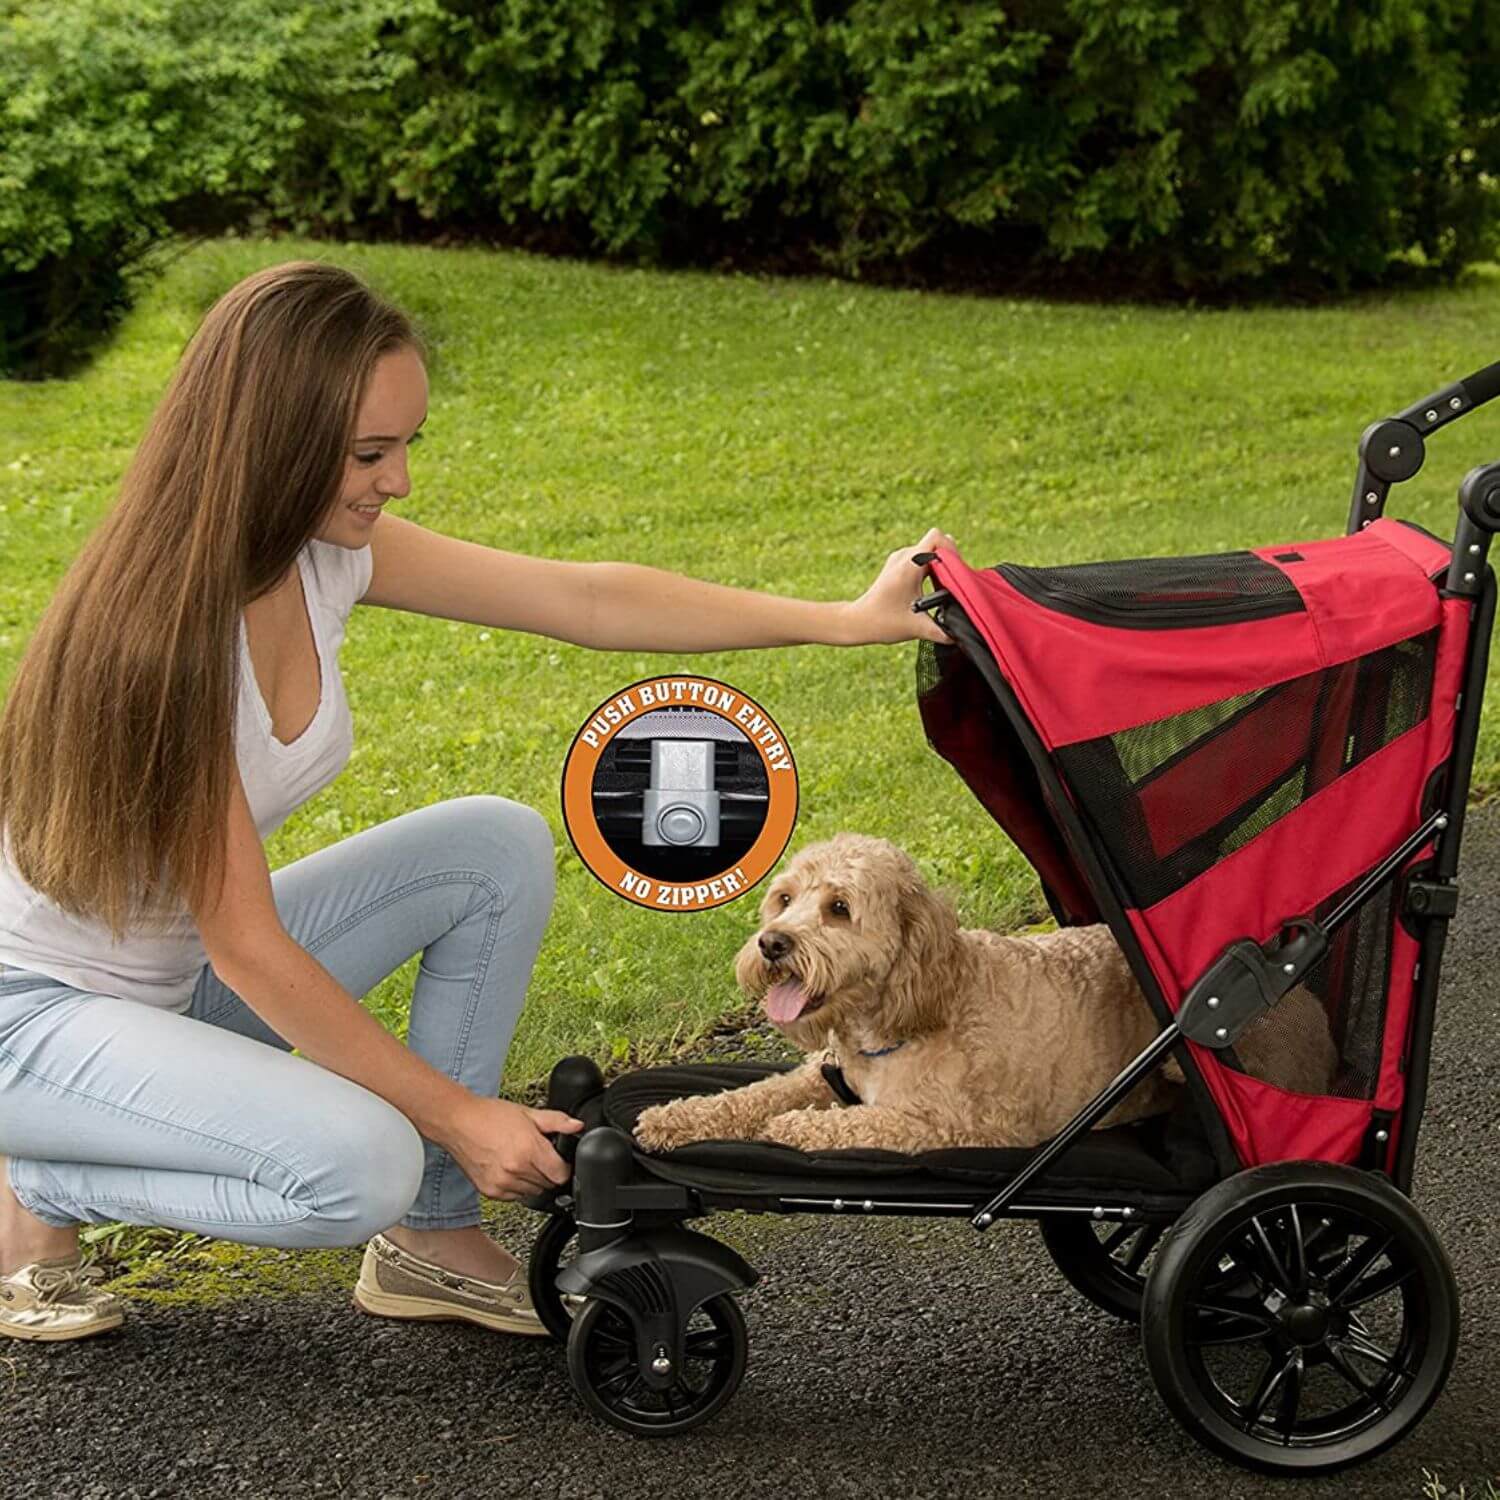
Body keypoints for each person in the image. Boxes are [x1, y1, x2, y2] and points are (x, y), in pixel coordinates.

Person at [0, 260, 953, 1342]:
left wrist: (841, 617)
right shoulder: (169, 640)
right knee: (363, 1165)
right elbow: (250, 950)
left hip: (164, 990)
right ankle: (46, 1183)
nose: (398, 479)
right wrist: (456, 1117)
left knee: (489, 847)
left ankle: (430, 1243)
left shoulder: (318, 556)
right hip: (32, 1019)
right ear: (271, 442)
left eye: (407, 444)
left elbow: (583, 596)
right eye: (369, 452)